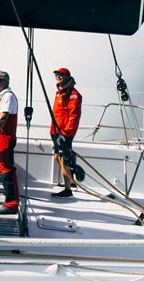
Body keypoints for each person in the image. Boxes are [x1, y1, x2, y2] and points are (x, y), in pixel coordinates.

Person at [0, 70, 20, 214]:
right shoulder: (3, 96)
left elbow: (3, 117)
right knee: (3, 168)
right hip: (0, 138)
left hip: (4, 139)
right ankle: (7, 200)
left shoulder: (8, 96)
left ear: (6, 82)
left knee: (6, 169)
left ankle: (11, 203)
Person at [50, 68, 82, 199]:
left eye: (61, 74)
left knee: (63, 160)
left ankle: (68, 189)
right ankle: (72, 179)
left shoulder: (73, 94)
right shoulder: (59, 92)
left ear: (67, 76)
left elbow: (74, 116)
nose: (58, 76)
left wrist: (66, 133)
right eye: (56, 74)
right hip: (56, 131)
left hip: (63, 133)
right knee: (57, 157)